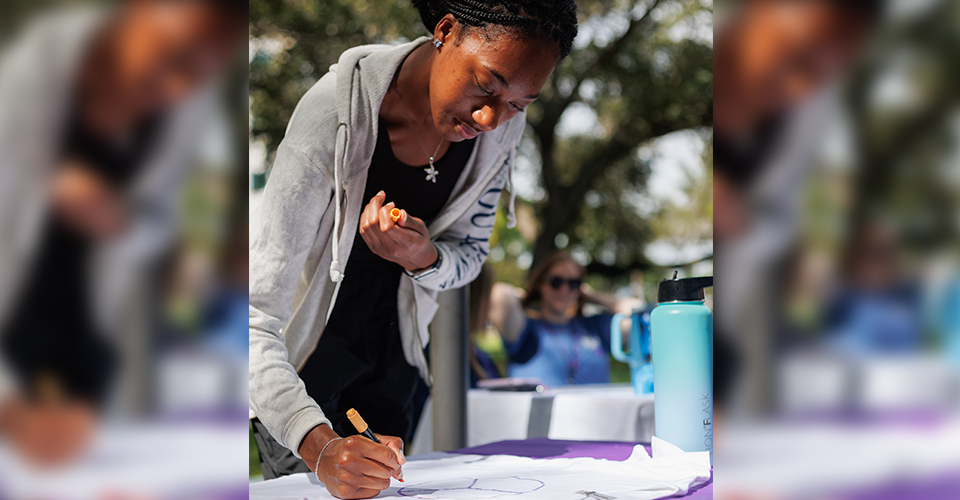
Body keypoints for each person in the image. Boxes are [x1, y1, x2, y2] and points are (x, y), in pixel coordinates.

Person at [247, 0, 578, 497]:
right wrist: (319, 449)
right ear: (446, 30)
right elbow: (251, 318)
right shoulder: (332, 117)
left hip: (399, 366)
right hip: (301, 383)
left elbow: (469, 255)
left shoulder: (501, 132)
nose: (491, 117)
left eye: (518, 103)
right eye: (485, 86)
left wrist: (424, 258)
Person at [0, 0, 244, 467]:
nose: (175, 88)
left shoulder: (187, 115)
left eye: (197, 73)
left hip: (88, 345)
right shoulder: (33, 73)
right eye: (172, 57)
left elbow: (167, 228)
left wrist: (123, 224)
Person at [488, 251, 639, 387]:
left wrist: (592, 297)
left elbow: (639, 314)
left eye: (574, 284)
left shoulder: (594, 327)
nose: (565, 290)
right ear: (540, 284)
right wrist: (529, 295)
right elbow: (499, 294)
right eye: (556, 282)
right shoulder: (525, 329)